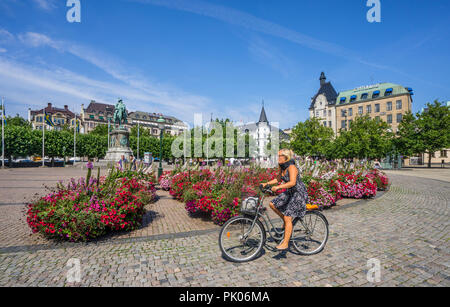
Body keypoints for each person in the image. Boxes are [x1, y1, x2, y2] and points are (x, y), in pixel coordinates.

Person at [262, 149, 309, 251]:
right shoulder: (282, 167)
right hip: (290, 192)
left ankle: (285, 243)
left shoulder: (291, 167)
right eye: (277, 155)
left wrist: (279, 187)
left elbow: (292, 182)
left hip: (298, 193)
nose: (278, 158)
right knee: (272, 204)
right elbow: (278, 179)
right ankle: (287, 222)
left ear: (286, 157)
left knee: (288, 217)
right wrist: (266, 184)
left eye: (280, 156)